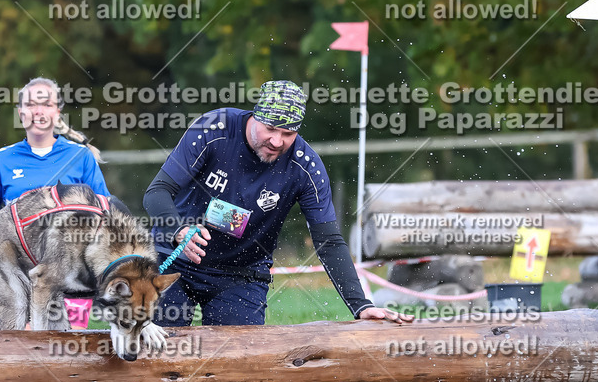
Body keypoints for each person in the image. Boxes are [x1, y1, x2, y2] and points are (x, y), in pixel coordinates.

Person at [143, 80, 412, 326]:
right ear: (254, 116)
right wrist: (179, 231)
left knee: (240, 366)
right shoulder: (213, 128)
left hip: (241, 275)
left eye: (288, 133)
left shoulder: (306, 167)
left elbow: (329, 240)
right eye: (270, 128)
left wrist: (361, 304)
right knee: (158, 351)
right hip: (174, 259)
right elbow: (156, 192)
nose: (276, 141)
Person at [0, 76, 110, 279]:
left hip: (71, 279)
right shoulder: (1, 160)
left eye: (46, 104)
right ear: (20, 112)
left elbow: (105, 215)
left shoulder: (81, 157)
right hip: (14, 276)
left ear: (57, 113)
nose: (38, 111)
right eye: (31, 104)